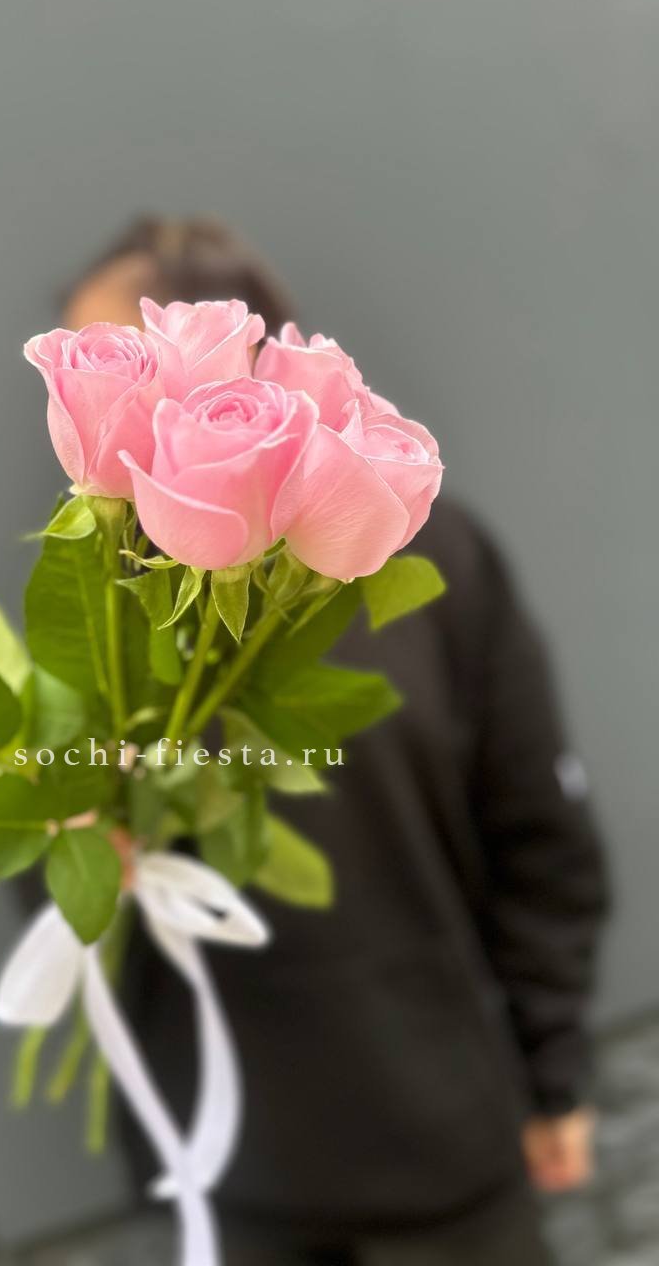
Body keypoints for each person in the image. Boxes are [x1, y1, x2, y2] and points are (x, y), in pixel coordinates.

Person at [58, 216, 610, 1265]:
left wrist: (555, 1067)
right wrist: (75, 838)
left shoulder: (426, 563)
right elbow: (57, 855)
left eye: (129, 362)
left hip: (444, 1154)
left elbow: (537, 828)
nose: (113, 406)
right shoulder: (101, 597)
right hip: (229, 1167)